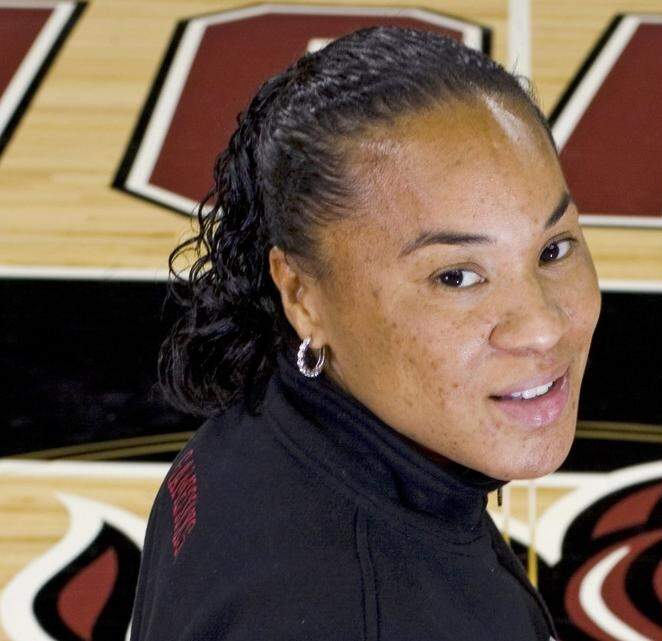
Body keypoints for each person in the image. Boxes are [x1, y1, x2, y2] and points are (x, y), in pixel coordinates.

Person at [129, 26, 602, 640]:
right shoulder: (368, 613)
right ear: (303, 295)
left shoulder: (265, 423)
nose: (542, 327)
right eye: (456, 277)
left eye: (553, 248)